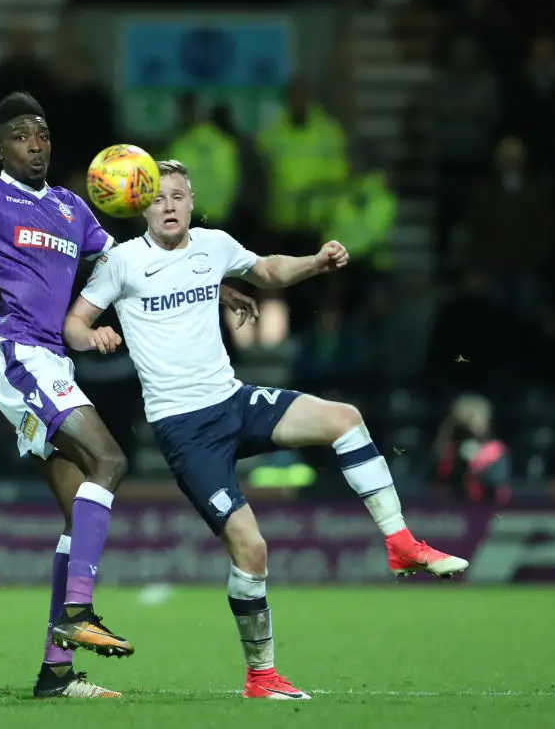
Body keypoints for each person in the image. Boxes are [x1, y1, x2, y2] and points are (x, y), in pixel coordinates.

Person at [63, 159, 468, 701]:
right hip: (184, 430)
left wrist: (317, 262)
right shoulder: (122, 262)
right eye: (159, 198)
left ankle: (400, 543)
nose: (170, 206)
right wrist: (96, 338)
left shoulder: (214, 245)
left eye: (180, 196)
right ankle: (261, 676)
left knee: (345, 419)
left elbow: (269, 270)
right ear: (140, 205)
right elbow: (73, 322)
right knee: (252, 551)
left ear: (191, 202)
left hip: (232, 400)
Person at [0, 95, 258, 699]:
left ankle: (55, 673)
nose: (35, 144)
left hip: (50, 359)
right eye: (20, 136)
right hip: (16, 351)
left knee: (79, 513)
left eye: (41, 134)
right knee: (112, 460)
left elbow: (129, 264)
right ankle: (76, 615)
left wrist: (218, 286)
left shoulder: (71, 209)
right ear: (0, 149)